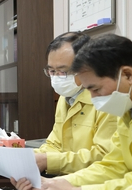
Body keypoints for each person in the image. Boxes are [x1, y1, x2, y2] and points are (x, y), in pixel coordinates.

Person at [14, 34, 132, 190]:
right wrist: (60, 184)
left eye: (96, 89)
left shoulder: (120, 103)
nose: (93, 98)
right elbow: (114, 166)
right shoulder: (127, 107)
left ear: (127, 75)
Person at [33, 32, 117, 175]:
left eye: (62, 71)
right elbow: (55, 143)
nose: (56, 78)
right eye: (51, 71)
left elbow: (103, 156)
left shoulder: (107, 99)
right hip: (69, 177)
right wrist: (30, 158)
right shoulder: (65, 97)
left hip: (93, 182)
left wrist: (48, 161)